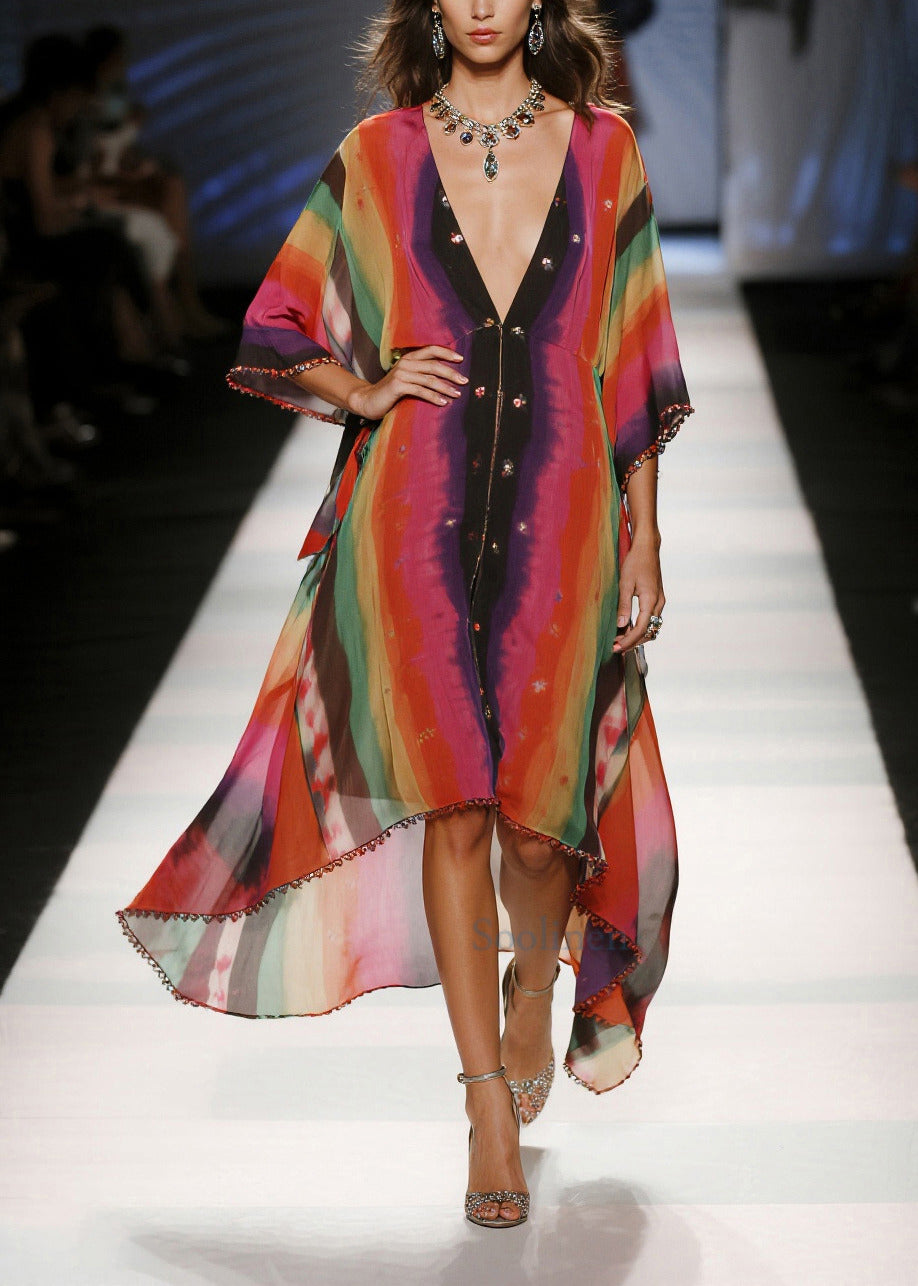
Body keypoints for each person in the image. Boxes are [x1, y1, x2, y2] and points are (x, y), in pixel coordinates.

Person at [115, 0, 693, 1231]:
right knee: (457, 805)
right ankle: (485, 1106)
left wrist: (644, 528)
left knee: (539, 825)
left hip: (567, 518)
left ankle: (532, 981)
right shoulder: (377, 153)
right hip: (412, 520)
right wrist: (368, 387)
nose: (481, 4)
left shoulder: (605, 148)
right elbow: (278, 317)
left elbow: (635, 351)